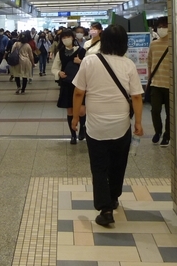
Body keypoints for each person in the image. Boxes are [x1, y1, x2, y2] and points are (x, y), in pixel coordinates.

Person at [71, 25, 144, 227]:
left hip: (96, 126)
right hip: (121, 125)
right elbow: (137, 96)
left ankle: (105, 209)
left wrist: (75, 117)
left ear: (103, 40)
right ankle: (113, 197)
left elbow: (78, 93)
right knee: (118, 164)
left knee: (99, 167)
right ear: (123, 44)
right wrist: (138, 122)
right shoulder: (128, 64)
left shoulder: (89, 61)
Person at [52, 29, 86, 144]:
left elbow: (89, 66)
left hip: (80, 84)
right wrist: (59, 73)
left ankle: (82, 129)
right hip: (66, 84)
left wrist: (80, 62)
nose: (66, 39)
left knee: (81, 110)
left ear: (73, 37)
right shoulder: (60, 52)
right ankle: (73, 135)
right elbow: (55, 67)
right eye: (63, 37)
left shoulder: (81, 51)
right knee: (70, 111)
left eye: (68, 37)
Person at [147, 16, 171, 147]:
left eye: (165, 26)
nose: (162, 29)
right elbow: (150, 63)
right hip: (156, 83)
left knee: (169, 112)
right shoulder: (154, 44)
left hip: (170, 84)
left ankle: (167, 135)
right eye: (160, 26)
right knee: (155, 110)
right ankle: (158, 132)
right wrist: (149, 80)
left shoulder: (175, 43)